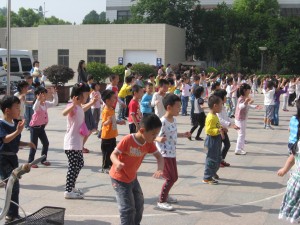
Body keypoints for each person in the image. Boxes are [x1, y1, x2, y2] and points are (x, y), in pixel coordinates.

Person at [110, 114, 164, 225]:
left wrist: (160, 169)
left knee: (139, 204)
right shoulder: (128, 140)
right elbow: (113, 155)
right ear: (142, 130)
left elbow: (159, 157)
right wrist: (117, 163)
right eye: (153, 134)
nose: (155, 137)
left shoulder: (148, 143)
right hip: (119, 178)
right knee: (128, 209)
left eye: (156, 135)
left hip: (132, 177)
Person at [0, 96, 35, 223]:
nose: (19, 110)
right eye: (16, 107)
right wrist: (17, 131)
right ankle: (10, 214)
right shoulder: (1, 123)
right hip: (3, 158)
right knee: (11, 186)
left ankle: (13, 213)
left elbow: (15, 141)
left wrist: (27, 144)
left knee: (15, 186)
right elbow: (5, 139)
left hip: (13, 157)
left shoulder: (15, 123)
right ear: (7, 110)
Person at [155, 93, 191, 210]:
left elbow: (173, 135)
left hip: (172, 152)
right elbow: (152, 136)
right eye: (178, 107)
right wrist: (158, 138)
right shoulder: (162, 121)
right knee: (171, 178)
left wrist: (183, 135)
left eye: (180, 107)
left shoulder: (173, 120)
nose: (180, 109)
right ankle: (161, 200)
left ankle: (166, 195)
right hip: (164, 154)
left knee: (174, 177)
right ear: (169, 107)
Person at [62, 83, 90, 199]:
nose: (87, 97)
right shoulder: (72, 106)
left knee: (79, 164)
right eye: (86, 95)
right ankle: (68, 191)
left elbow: (83, 109)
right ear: (78, 96)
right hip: (71, 143)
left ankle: (71, 187)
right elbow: (64, 113)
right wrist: (72, 105)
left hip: (77, 143)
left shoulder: (79, 107)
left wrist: (92, 102)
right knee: (73, 166)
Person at [278, 100, 300, 223]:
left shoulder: (293, 119)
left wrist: (285, 169)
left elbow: (292, 157)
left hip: (292, 146)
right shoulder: (299, 145)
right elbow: (292, 158)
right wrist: (285, 169)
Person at [28, 87, 58, 168]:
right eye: (42, 94)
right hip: (34, 127)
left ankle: (43, 159)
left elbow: (55, 103)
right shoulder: (37, 104)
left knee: (46, 143)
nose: (45, 96)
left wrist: (54, 94)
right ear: (38, 95)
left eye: (45, 94)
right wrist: (38, 100)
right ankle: (30, 162)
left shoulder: (45, 104)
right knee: (34, 145)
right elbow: (35, 108)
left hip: (41, 127)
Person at [100, 90, 126, 173]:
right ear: (107, 101)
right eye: (113, 99)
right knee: (106, 153)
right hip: (106, 136)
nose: (115, 100)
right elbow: (104, 123)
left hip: (112, 134)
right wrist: (108, 121)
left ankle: (111, 165)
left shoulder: (111, 109)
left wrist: (119, 122)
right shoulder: (106, 110)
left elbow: (113, 120)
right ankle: (105, 167)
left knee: (112, 152)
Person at [202, 95, 225, 185]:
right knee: (211, 158)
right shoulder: (210, 117)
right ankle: (207, 177)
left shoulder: (215, 115)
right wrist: (218, 130)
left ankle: (213, 172)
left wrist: (221, 128)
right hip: (211, 140)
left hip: (216, 139)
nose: (222, 107)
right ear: (215, 106)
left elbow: (216, 125)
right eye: (221, 105)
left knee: (218, 157)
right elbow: (208, 130)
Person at [214, 89, 239, 167]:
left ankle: (221, 160)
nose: (226, 97)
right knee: (219, 146)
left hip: (223, 130)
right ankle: (217, 161)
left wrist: (233, 123)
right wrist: (230, 125)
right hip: (219, 130)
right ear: (221, 98)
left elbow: (226, 117)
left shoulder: (223, 107)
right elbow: (220, 119)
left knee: (227, 145)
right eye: (225, 96)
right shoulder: (218, 107)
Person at [235, 83, 262, 155]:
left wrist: (255, 106)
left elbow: (247, 106)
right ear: (245, 90)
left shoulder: (244, 98)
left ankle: (241, 148)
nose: (249, 91)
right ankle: (238, 149)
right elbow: (241, 106)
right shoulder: (241, 98)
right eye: (248, 90)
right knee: (241, 134)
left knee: (242, 134)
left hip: (242, 118)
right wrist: (246, 102)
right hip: (240, 119)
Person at [82, 75, 99, 153]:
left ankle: (81, 146)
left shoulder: (89, 89)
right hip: (85, 111)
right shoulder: (87, 89)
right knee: (86, 130)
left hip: (88, 111)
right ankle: (80, 146)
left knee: (90, 130)